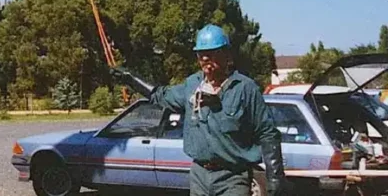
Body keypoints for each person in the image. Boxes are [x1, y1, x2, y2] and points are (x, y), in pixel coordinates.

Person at [111, 24, 287, 196]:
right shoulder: (192, 85)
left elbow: (267, 133)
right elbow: (161, 95)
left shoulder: (245, 89)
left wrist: (275, 176)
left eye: (211, 54)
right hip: (199, 176)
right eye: (201, 55)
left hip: (233, 177)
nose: (205, 60)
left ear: (227, 55)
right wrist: (131, 78)